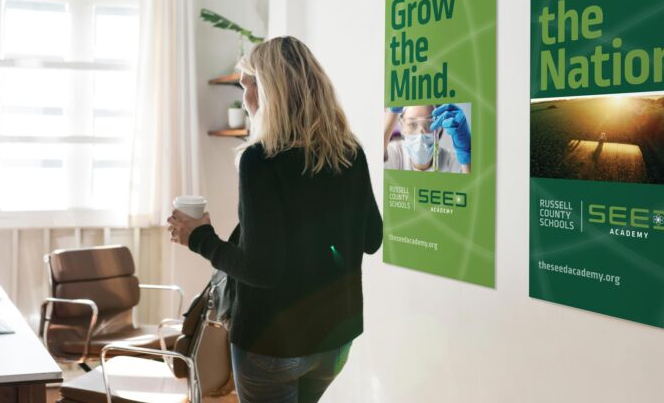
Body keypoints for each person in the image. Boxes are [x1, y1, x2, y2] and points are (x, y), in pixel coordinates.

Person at [166, 36, 382, 403]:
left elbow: (262, 269)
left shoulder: (260, 160)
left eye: (246, 84)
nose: (244, 96)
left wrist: (199, 236)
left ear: (264, 91)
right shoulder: (351, 152)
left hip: (272, 344)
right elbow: (371, 239)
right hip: (334, 341)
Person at [383, 104, 472, 174]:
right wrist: (391, 113)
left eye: (428, 124)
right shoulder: (395, 154)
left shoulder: (451, 161)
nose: (421, 133)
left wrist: (466, 156)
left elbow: (471, 190)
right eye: (412, 124)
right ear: (401, 127)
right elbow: (374, 158)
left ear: (439, 128)